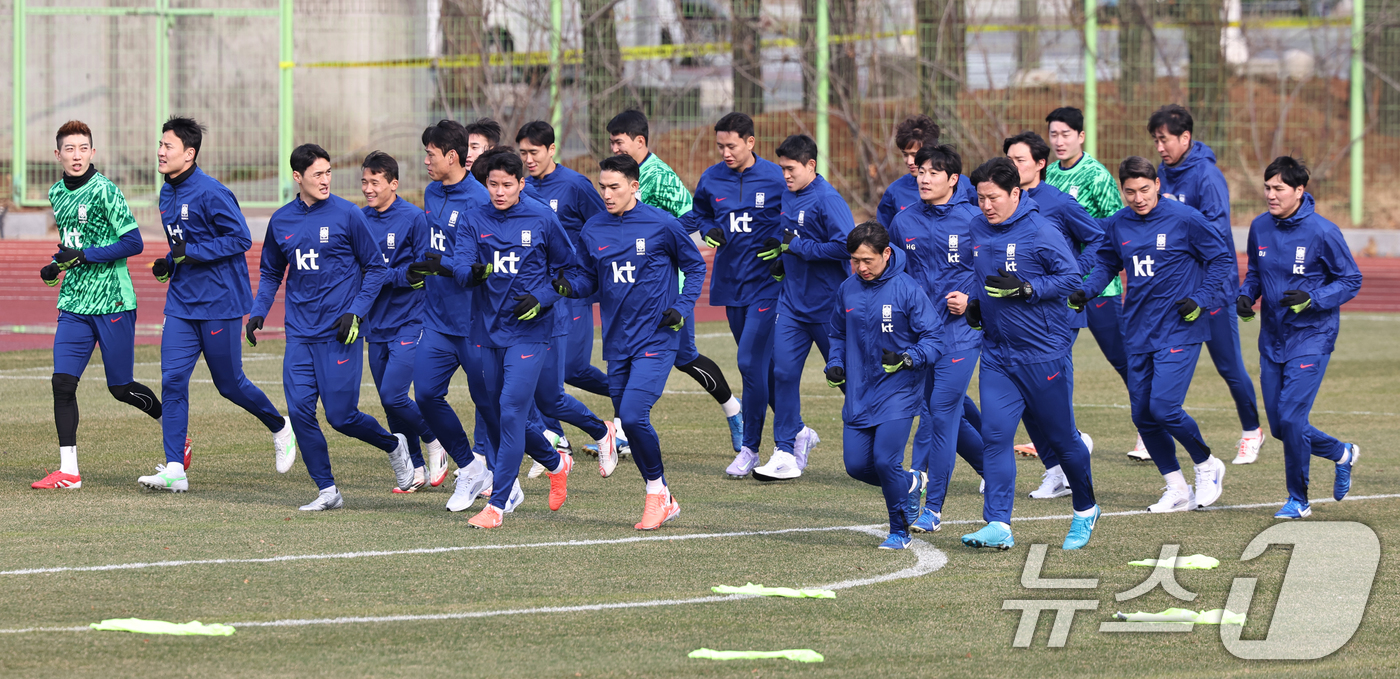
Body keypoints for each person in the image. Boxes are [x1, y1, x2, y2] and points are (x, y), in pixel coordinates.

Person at [248, 143, 413, 510]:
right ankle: (327, 490)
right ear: (297, 177)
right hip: (300, 334)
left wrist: (355, 312)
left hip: (341, 332)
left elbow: (376, 269)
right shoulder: (282, 221)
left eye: (328, 173)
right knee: (301, 411)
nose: (325, 180)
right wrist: (259, 309)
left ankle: (392, 444)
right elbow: (272, 270)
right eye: (316, 174)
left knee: (341, 417)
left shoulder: (348, 215)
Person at [138, 116, 294, 493]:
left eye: (168, 146)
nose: (160, 151)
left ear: (189, 154)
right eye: (160, 144)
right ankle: (175, 467)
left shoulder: (211, 192)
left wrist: (189, 252)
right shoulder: (165, 193)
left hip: (220, 302)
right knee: (172, 381)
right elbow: (182, 244)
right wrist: (170, 260)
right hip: (180, 304)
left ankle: (280, 426)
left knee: (230, 384)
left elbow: (240, 238)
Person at [553, 154, 707, 529]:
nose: (606, 194)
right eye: (602, 187)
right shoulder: (592, 229)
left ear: (634, 187)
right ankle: (664, 495)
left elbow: (696, 264)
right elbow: (591, 279)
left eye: (614, 187)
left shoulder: (662, 224)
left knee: (635, 416)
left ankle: (655, 493)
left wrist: (682, 306)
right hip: (618, 340)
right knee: (628, 420)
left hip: (657, 336)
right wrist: (566, 286)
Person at [1073, 156, 1233, 514]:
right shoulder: (1118, 224)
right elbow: (1106, 263)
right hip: (1138, 329)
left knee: (1164, 407)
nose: (1138, 198)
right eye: (1130, 191)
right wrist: (1088, 291)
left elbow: (1221, 259)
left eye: (1144, 189)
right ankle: (1177, 488)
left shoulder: (1186, 219)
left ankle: (1207, 464)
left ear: (1157, 185)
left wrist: (1201, 298)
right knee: (1143, 415)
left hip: (1179, 327)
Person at [960, 158, 1100, 552]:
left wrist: (1027, 290)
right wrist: (975, 302)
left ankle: (1085, 509)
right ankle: (998, 523)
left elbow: (1071, 278)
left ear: (1016, 193)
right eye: (980, 198)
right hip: (998, 354)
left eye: (993, 198)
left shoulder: (1041, 230)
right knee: (996, 437)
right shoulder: (976, 227)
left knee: (1060, 440)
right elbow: (979, 276)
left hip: (1043, 353)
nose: (986, 205)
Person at [32, 120, 163, 490]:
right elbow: (72, 246)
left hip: (113, 300)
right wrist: (56, 266)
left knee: (120, 388)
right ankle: (69, 471)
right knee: (62, 383)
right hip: (74, 301)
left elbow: (134, 243)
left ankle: (174, 430)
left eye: (83, 148)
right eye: (69, 149)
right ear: (57, 155)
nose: (77, 155)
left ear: (93, 151)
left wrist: (84, 256)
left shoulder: (106, 190)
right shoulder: (56, 192)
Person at [454, 148, 576, 529]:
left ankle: (498, 505)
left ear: (521, 184)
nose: (500, 191)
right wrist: (471, 273)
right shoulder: (474, 219)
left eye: (508, 184)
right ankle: (556, 461)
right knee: (495, 412)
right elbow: (458, 268)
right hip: (487, 331)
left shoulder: (542, 217)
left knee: (509, 410)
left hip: (531, 332)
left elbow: (570, 270)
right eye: (493, 184)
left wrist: (542, 298)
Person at [608, 109, 744, 452]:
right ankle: (624, 431)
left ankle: (734, 412)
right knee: (628, 351)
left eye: (619, 142)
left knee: (685, 357)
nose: (614, 148)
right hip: (637, 282)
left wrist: (659, 242)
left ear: (639, 141)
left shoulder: (656, 176)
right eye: (610, 143)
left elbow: (689, 217)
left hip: (668, 284)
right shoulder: (624, 176)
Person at [1238, 157, 1362, 518]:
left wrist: (1314, 299)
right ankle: (1342, 453)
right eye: (1267, 188)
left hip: (1312, 336)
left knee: (1292, 420)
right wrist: (1247, 294)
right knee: (1280, 427)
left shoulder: (1323, 232)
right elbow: (1255, 272)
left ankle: (1299, 500)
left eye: (1278, 189)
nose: (1270, 195)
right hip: (1272, 339)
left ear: (1299, 190)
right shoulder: (1259, 226)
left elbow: (1350, 279)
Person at [1150, 104, 1265, 463]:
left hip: (1212, 288)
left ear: (1185, 137)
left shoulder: (1207, 176)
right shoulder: (1160, 173)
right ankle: (1151, 430)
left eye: (1164, 140)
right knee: (1158, 358)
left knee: (1228, 366)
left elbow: (1216, 231)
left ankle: (1251, 430)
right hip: (1174, 290)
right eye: (1155, 140)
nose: (1159, 148)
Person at [886, 145, 987, 532]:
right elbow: (894, 275)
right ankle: (993, 470)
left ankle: (931, 508)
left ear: (953, 179)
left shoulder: (975, 220)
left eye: (933, 172)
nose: (924, 178)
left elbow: (992, 268)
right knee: (944, 415)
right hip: (918, 340)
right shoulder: (903, 221)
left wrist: (972, 299)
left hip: (960, 337)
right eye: (921, 172)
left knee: (940, 415)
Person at [682, 112, 786, 477]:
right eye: (720, 146)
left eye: (732, 145)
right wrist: (710, 229)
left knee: (748, 363)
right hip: (731, 283)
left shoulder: (776, 177)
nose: (725, 152)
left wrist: (784, 244)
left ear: (750, 143)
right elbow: (699, 215)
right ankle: (797, 430)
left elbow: (797, 215)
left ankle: (750, 448)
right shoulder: (711, 178)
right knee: (763, 369)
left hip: (768, 284)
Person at [825, 221, 941, 550]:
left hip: (899, 391)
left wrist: (908, 357)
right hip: (860, 391)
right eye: (855, 261)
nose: (860, 267)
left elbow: (935, 338)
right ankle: (910, 483)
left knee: (886, 461)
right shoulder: (847, 288)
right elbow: (836, 333)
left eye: (868, 261)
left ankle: (899, 530)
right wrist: (835, 363)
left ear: (886, 254)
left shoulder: (907, 289)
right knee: (857, 466)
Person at [1002, 131, 1103, 498]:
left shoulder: (1058, 203)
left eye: (1020, 160)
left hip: (1053, 318)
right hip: (1010, 320)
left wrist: (1076, 270)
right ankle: (1055, 467)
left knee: (1050, 396)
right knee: (1026, 398)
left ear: (1040, 164)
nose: (1012, 166)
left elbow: (1099, 238)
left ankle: (1072, 462)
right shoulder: (1000, 203)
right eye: (1008, 160)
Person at [516, 122, 620, 477]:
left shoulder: (575, 185)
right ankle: (555, 441)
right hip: (536, 294)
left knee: (568, 371)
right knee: (539, 378)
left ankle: (627, 395)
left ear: (551, 150)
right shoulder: (522, 188)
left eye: (534, 152)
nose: (528, 160)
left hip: (570, 292)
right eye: (523, 153)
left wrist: (589, 272)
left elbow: (602, 225)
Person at [750, 134, 852, 481]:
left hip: (827, 308)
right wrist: (782, 256)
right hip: (791, 304)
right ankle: (785, 449)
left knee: (845, 379)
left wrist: (799, 249)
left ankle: (874, 437)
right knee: (782, 373)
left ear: (811, 165)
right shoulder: (787, 195)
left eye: (790, 168)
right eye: (781, 168)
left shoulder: (828, 200)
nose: (785, 175)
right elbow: (789, 239)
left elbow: (846, 246)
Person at [1044, 107, 1140, 459]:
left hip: (1099, 287)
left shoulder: (1096, 175)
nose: (1059, 141)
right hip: (1059, 289)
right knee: (1053, 362)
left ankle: (1148, 427)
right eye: (1054, 135)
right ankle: (1066, 437)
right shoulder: (1049, 174)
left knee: (1123, 360)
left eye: (1065, 134)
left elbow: (1114, 226)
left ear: (1080, 137)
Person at [411, 119, 495, 513]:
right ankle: (470, 465)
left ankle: (526, 468)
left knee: (491, 404)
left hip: (475, 320)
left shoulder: (481, 200)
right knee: (426, 394)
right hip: (438, 317)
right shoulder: (430, 192)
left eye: (430, 154)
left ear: (452, 156)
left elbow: (482, 262)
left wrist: (442, 264)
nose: (425, 160)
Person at [359, 151, 449, 493]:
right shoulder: (358, 219)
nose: (368, 188)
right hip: (374, 323)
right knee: (388, 402)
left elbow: (418, 273)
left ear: (393, 184)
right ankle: (415, 467)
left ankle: (435, 439)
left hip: (410, 320)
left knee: (394, 394)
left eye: (375, 182)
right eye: (364, 182)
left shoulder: (413, 218)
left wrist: (384, 277)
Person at [876, 115, 976, 229]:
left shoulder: (964, 185)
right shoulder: (895, 191)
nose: (909, 161)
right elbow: (885, 238)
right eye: (905, 154)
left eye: (915, 155)